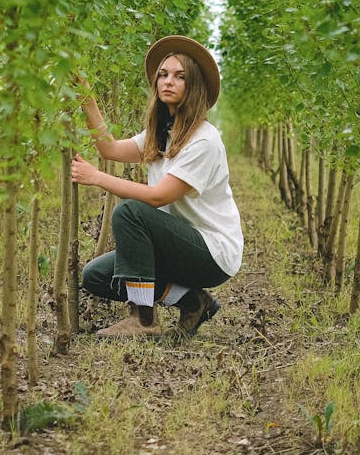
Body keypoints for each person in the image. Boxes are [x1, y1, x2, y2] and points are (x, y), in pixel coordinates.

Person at [71, 35, 243, 338]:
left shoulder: (204, 140)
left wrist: (97, 177)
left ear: (195, 86)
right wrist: (87, 99)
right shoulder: (162, 133)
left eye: (179, 76)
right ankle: (193, 301)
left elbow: (159, 196)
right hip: (174, 242)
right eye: (163, 75)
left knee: (130, 212)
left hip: (211, 252)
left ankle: (143, 319)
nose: (168, 81)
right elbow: (109, 149)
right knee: (96, 276)